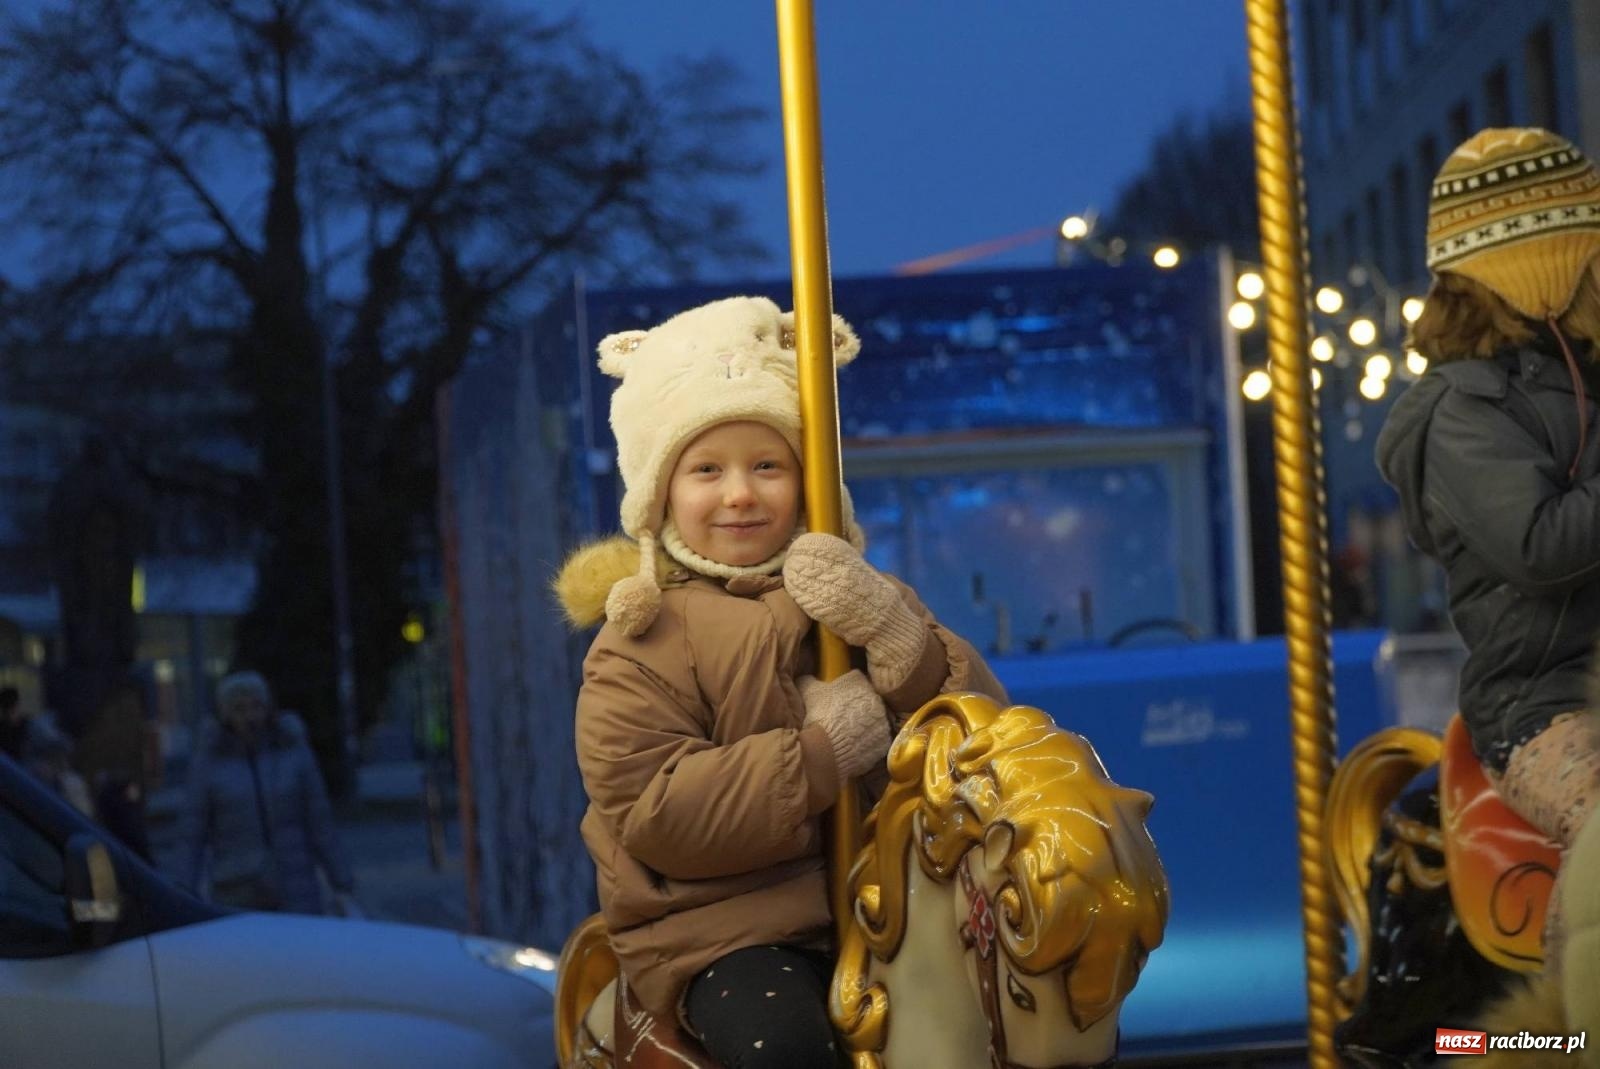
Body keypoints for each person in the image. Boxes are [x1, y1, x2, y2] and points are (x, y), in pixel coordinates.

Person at [554, 295, 1007, 1067]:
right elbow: (659, 810)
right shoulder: (639, 641)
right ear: (661, 494)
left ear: (807, 479)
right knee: (786, 1049)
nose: (739, 492)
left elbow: (983, 731)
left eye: (768, 464)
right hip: (724, 928)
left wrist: (899, 640)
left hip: (887, 901)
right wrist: (822, 753)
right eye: (706, 469)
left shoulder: (853, 590)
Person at [1377, 127, 1600, 968]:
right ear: (1540, 268)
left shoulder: (1584, 374)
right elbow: (1538, 546)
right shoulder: (1464, 415)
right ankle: (1568, 1030)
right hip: (1542, 707)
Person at [174, 671, 357, 915]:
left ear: (268, 708)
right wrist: (183, 891)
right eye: (239, 708)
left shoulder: (293, 752)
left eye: (256, 706)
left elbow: (320, 822)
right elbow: (191, 834)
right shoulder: (209, 763)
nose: (250, 716)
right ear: (226, 714)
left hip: (295, 886)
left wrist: (341, 880)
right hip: (236, 888)